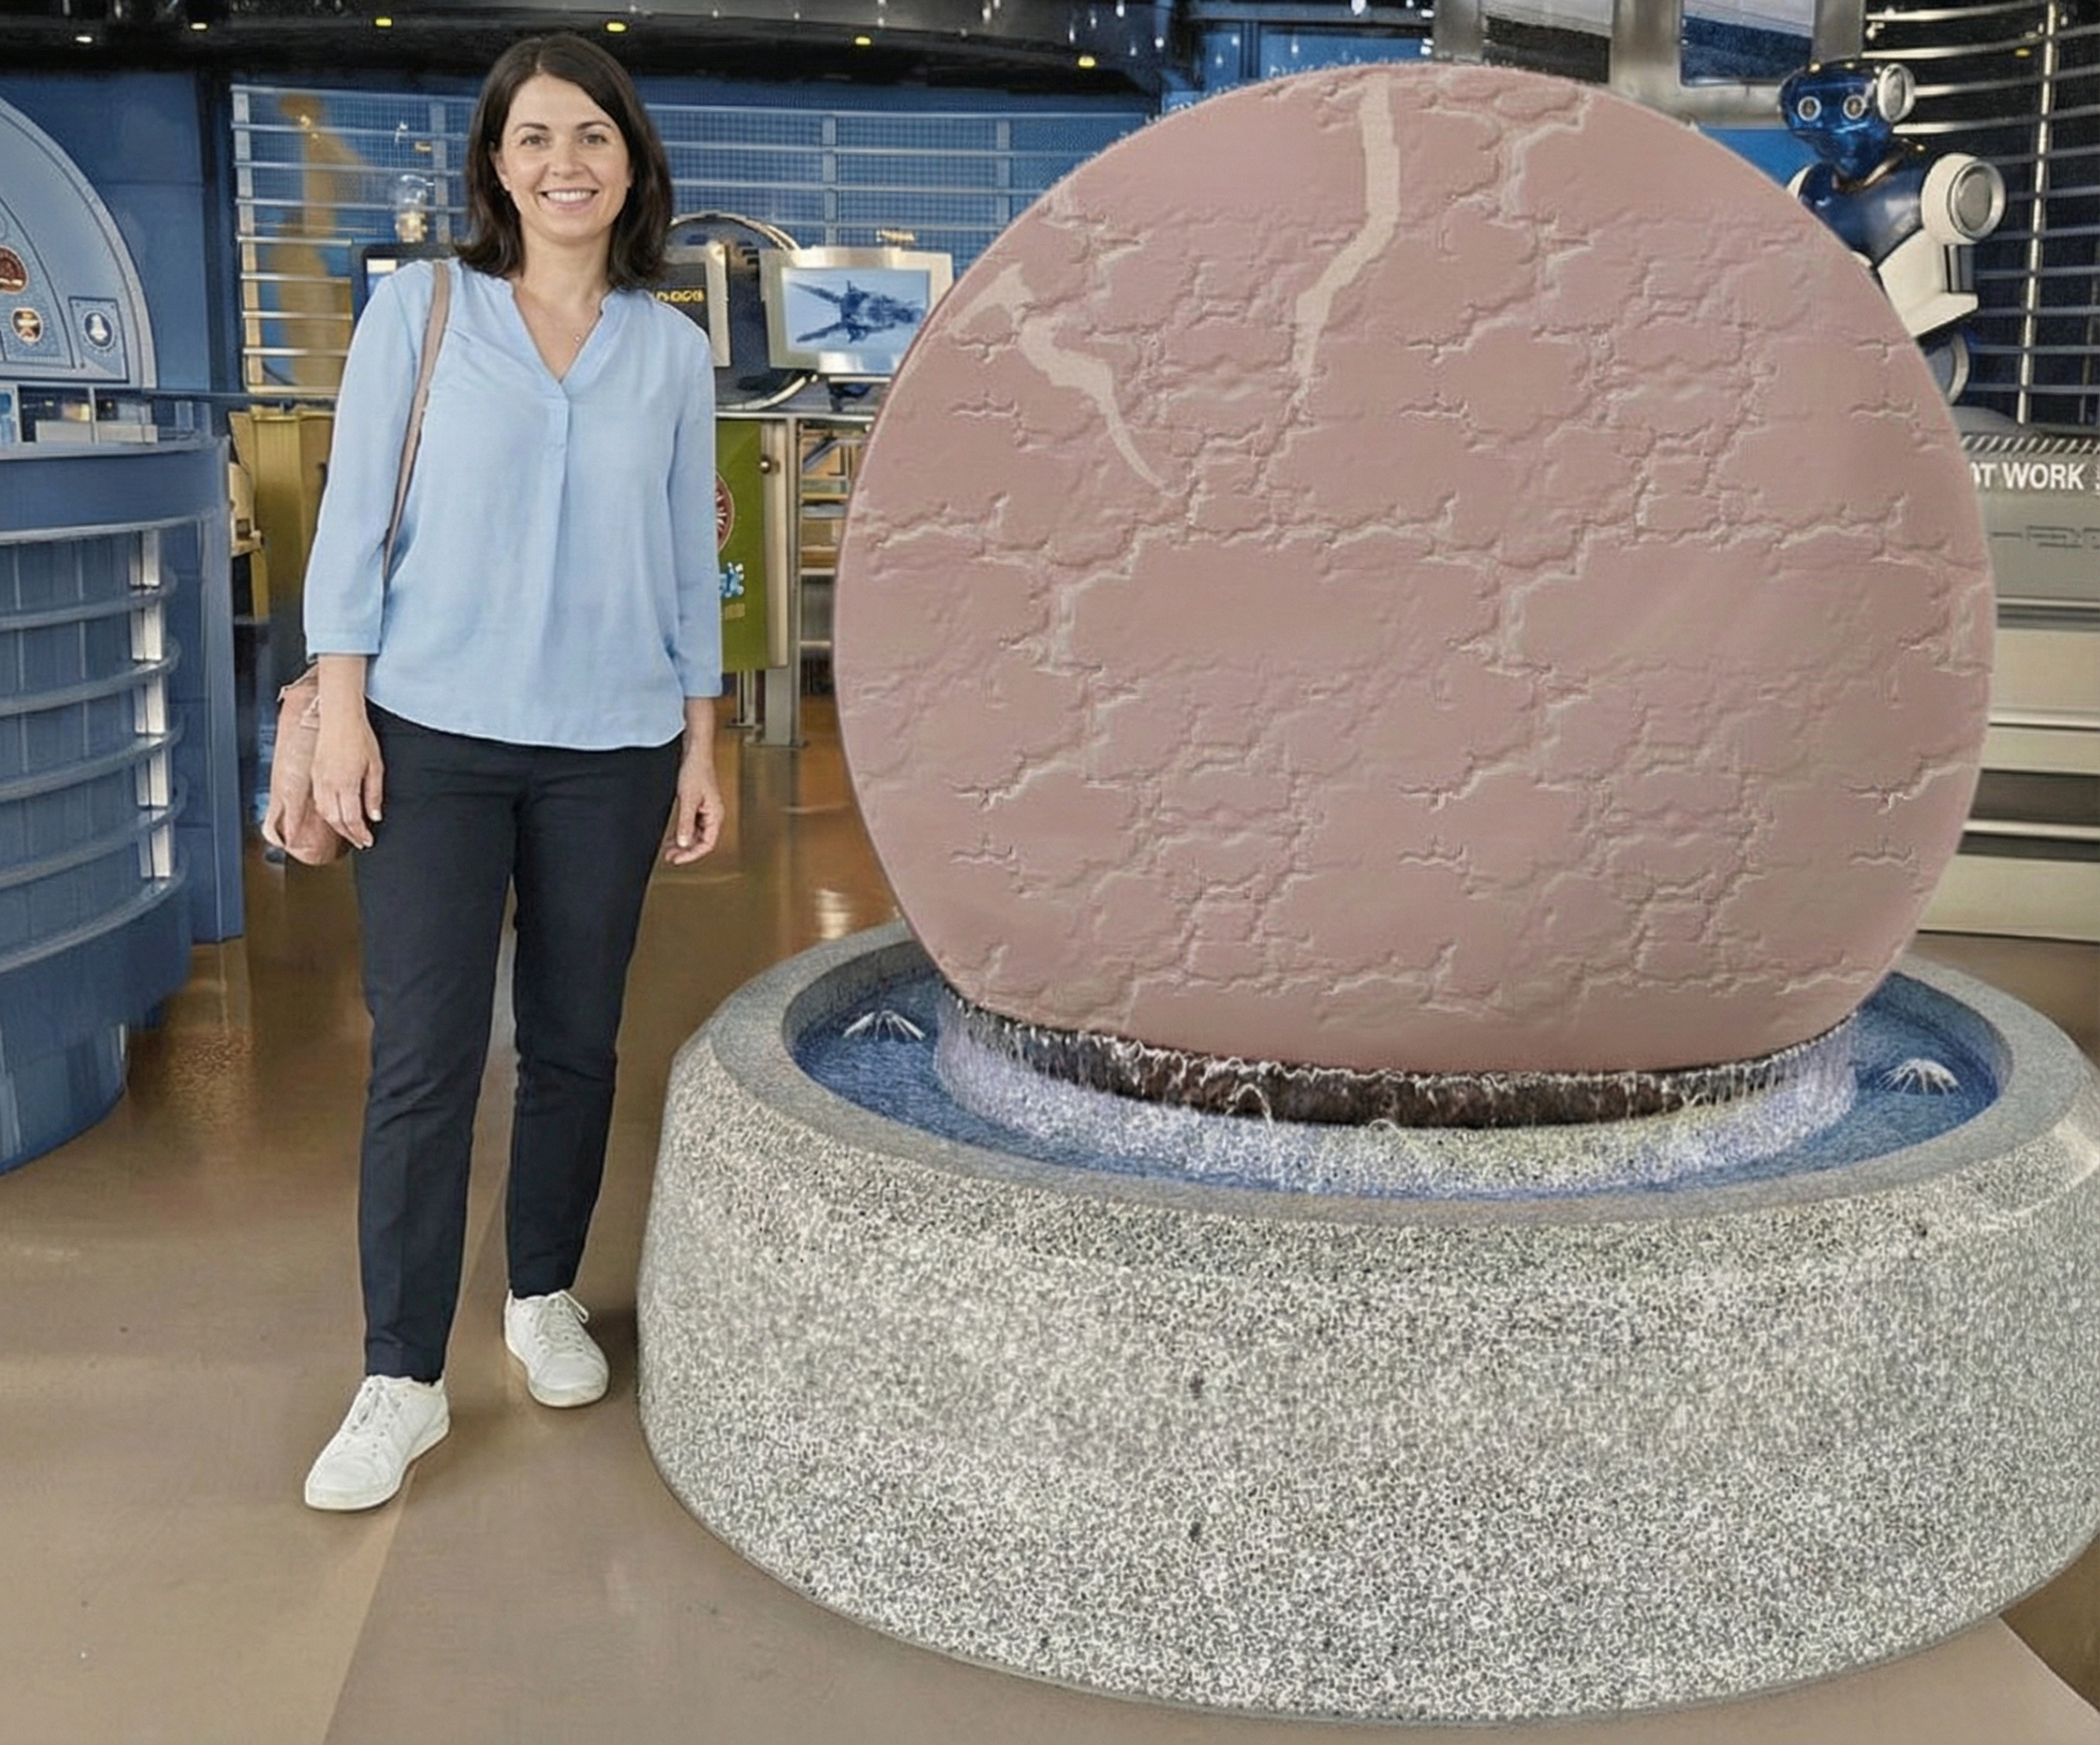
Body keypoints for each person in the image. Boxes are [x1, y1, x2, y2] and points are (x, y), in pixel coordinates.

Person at [299, 31, 723, 1512]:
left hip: (616, 747)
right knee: (422, 1055)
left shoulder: (671, 352)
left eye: (593, 136)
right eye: (535, 137)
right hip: (432, 734)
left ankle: (541, 1291)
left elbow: (692, 565)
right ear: (495, 164)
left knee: (574, 1043)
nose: (565, 163)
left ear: (632, 163)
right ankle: (400, 1377)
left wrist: (703, 742)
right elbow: (352, 521)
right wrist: (343, 711)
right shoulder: (422, 311)